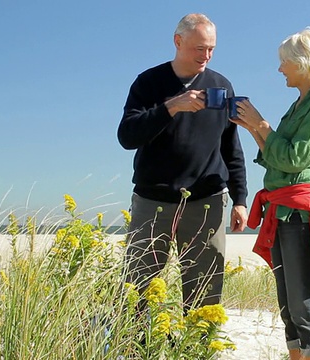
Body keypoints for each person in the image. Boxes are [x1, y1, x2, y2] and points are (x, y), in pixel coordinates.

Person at [117, 13, 248, 314]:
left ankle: (199, 350)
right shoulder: (149, 82)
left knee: (204, 292)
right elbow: (127, 136)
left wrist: (240, 199)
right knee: (138, 289)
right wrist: (171, 107)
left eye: (211, 49)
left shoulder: (221, 85)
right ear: (178, 41)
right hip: (154, 201)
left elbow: (231, 147)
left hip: (207, 201)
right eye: (199, 48)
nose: (206, 55)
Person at [230, 28, 310, 360]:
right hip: (281, 210)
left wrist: (262, 125)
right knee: (287, 306)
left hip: (298, 211)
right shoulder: (300, 104)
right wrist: (254, 127)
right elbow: (275, 156)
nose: (280, 69)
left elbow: (294, 160)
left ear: (301, 63)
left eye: (284, 63)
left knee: (301, 303)